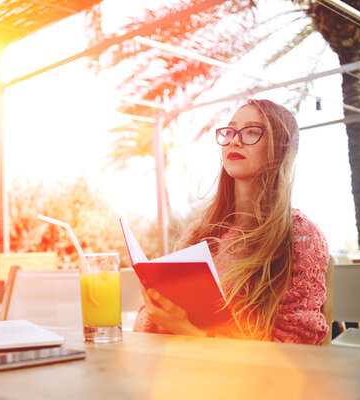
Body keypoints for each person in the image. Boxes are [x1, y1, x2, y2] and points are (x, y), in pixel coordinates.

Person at [133, 99, 330, 345]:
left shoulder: (301, 235)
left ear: (281, 147)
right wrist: (154, 309)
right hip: (179, 372)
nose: (234, 140)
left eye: (251, 132)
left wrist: (188, 331)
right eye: (229, 132)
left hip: (250, 380)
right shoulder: (198, 232)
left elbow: (298, 341)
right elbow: (145, 325)